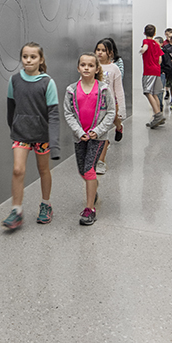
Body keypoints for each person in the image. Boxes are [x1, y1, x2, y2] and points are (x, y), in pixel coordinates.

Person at [2, 42, 61, 230]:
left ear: (41, 59)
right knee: (17, 170)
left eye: (33, 57)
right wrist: (15, 126)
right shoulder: (14, 80)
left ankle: (46, 204)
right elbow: (11, 107)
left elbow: (53, 114)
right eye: (25, 56)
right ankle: (16, 211)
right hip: (21, 134)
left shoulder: (47, 82)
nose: (28, 60)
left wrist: (55, 142)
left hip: (42, 135)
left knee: (43, 170)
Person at [63, 52, 115, 225]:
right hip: (80, 137)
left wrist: (98, 131)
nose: (86, 68)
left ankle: (89, 209)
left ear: (96, 68)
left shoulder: (103, 89)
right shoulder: (71, 90)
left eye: (90, 65)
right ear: (78, 67)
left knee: (89, 170)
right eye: (83, 65)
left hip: (98, 138)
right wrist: (79, 132)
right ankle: (93, 191)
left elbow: (110, 112)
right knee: (82, 170)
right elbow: (68, 113)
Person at [94, 38, 126, 172]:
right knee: (101, 131)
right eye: (98, 50)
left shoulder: (114, 69)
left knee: (105, 131)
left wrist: (122, 109)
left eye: (103, 50)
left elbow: (118, 89)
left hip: (110, 105)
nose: (100, 53)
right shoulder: (92, 66)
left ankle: (101, 162)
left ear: (110, 53)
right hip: (95, 105)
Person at [140, 24, 165, 127]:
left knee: (147, 92)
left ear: (144, 33)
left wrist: (143, 50)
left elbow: (145, 47)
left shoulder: (146, 41)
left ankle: (158, 115)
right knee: (155, 93)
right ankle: (158, 115)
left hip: (148, 71)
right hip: (156, 70)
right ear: (155, 33)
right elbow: (160, 59)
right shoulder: (156, 43)